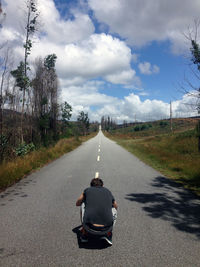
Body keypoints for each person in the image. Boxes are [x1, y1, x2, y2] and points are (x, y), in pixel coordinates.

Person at [76, 178, 118, 245]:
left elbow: (77, 203)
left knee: (83, 203)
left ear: (91, 186)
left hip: (89, 227)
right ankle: (108, 234)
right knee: (113, 208)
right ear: (102, 185)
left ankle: (84, 235)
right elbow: (116, 205)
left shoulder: (87, 190)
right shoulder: (107, 191)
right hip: (106, 228)